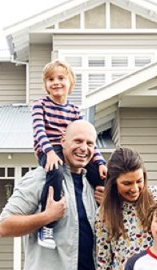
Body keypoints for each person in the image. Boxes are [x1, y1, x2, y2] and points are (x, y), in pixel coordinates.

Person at [0, 120, 106, 270]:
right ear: (63, 141)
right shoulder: (41, 178)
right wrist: (47, 216)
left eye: (89, 143)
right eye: (77, 141)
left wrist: (108, 208)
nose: (84, 148)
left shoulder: (93, 186)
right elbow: (4, 227)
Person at [31, 59, 107, 249]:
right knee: (55, 172)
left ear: (70, 83)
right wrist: (48, 152)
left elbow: (87, 139)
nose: (56, 82)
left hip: (71, 148)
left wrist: (100, 162)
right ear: (46, 85)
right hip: (49, 148)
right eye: (50, 79)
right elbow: (39, 131)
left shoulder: (74, 110)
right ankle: (47, 226)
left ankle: (104, 215)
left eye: (61, 78)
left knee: (100, 176)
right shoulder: (39, 105)